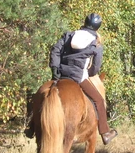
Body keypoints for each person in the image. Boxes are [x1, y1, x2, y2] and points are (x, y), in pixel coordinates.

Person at [24, 13, 118, 145]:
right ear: (97, 27)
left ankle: (31, 127)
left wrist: (55, 68)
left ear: (85, 23)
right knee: (99, 100)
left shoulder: (69, 35)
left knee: (40, 96)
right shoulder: (96, 43)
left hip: (61, 73)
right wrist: (89, 73)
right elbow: (96, 66)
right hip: (79, 76)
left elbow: (55, 50)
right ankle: (105, 133)